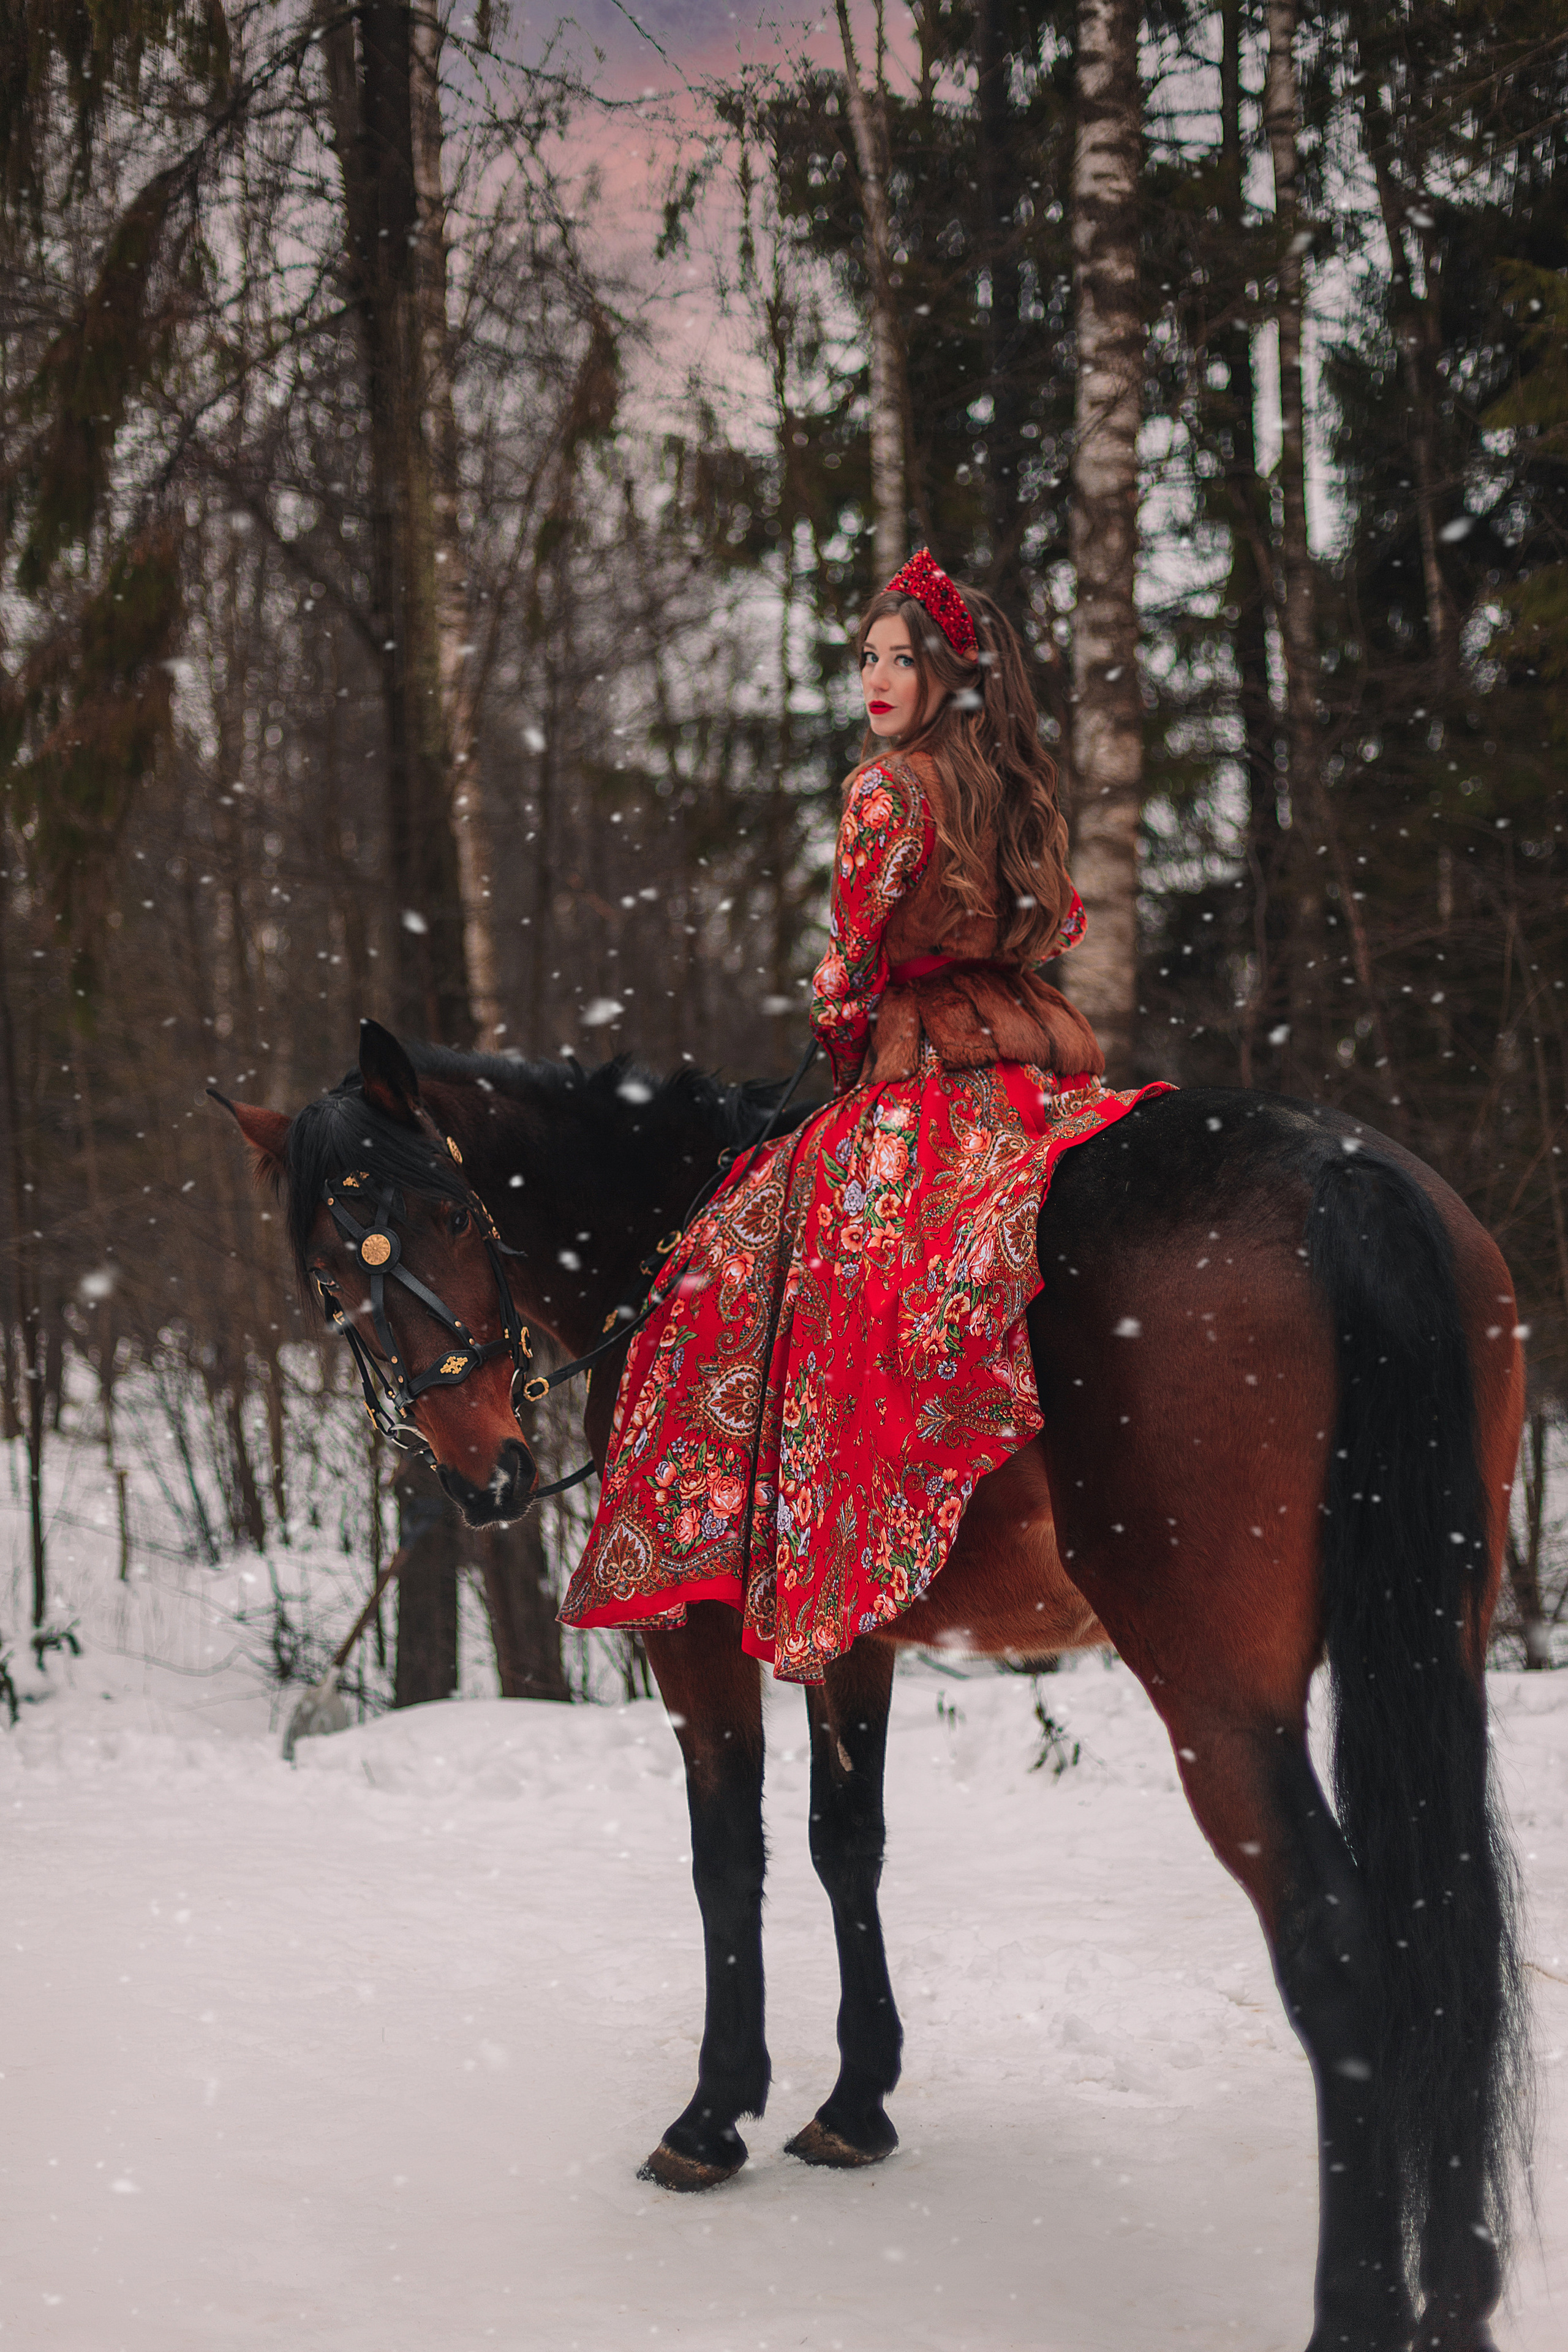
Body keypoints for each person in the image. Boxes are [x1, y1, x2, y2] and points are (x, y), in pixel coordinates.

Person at [561, 549, 1159, 1681]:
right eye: (867, 660)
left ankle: (782, 1543)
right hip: (1028, 1067)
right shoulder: (1015, 786)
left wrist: (841, 1019)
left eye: (901, 659)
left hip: (922, 1069)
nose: (877, 681)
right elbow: (1054, 926)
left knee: (728, 1267)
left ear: (948, 672)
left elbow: (851, 968)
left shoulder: (885, 791)